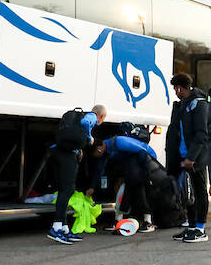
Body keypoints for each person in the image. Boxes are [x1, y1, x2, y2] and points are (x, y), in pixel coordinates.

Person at [47, 104, 105, 244]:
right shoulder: (90, 116)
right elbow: (86, 123)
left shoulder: (76, 118)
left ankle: (65, 228)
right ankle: (56, 228)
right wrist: (89, 138)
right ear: (101, 116)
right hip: (66, 156)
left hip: (59, 152)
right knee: (66, 191)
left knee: (66, 190)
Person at [167, 73, 210, 243]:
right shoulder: (183, 105)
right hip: (183, 156)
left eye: (177, 89)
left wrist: (192, 157)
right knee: (188, 193)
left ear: (181, 88)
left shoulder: (199, 104)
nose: (176, 93)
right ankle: (192, 226)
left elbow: (202, 133)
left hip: (195, 158)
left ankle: (201, 228)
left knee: (199, 192)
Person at [89, 134, 160, 232]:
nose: (96, 157)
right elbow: (99, 170)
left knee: (140, 191)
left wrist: (147, 174)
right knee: (121, 193)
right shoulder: (106, 151)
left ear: (98, 149)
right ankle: (118, 221)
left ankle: (148, 222)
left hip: (145, 163)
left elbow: (142, 152)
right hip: (130, 170)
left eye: (95, 155)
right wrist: (92, 187)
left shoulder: (119, 142)